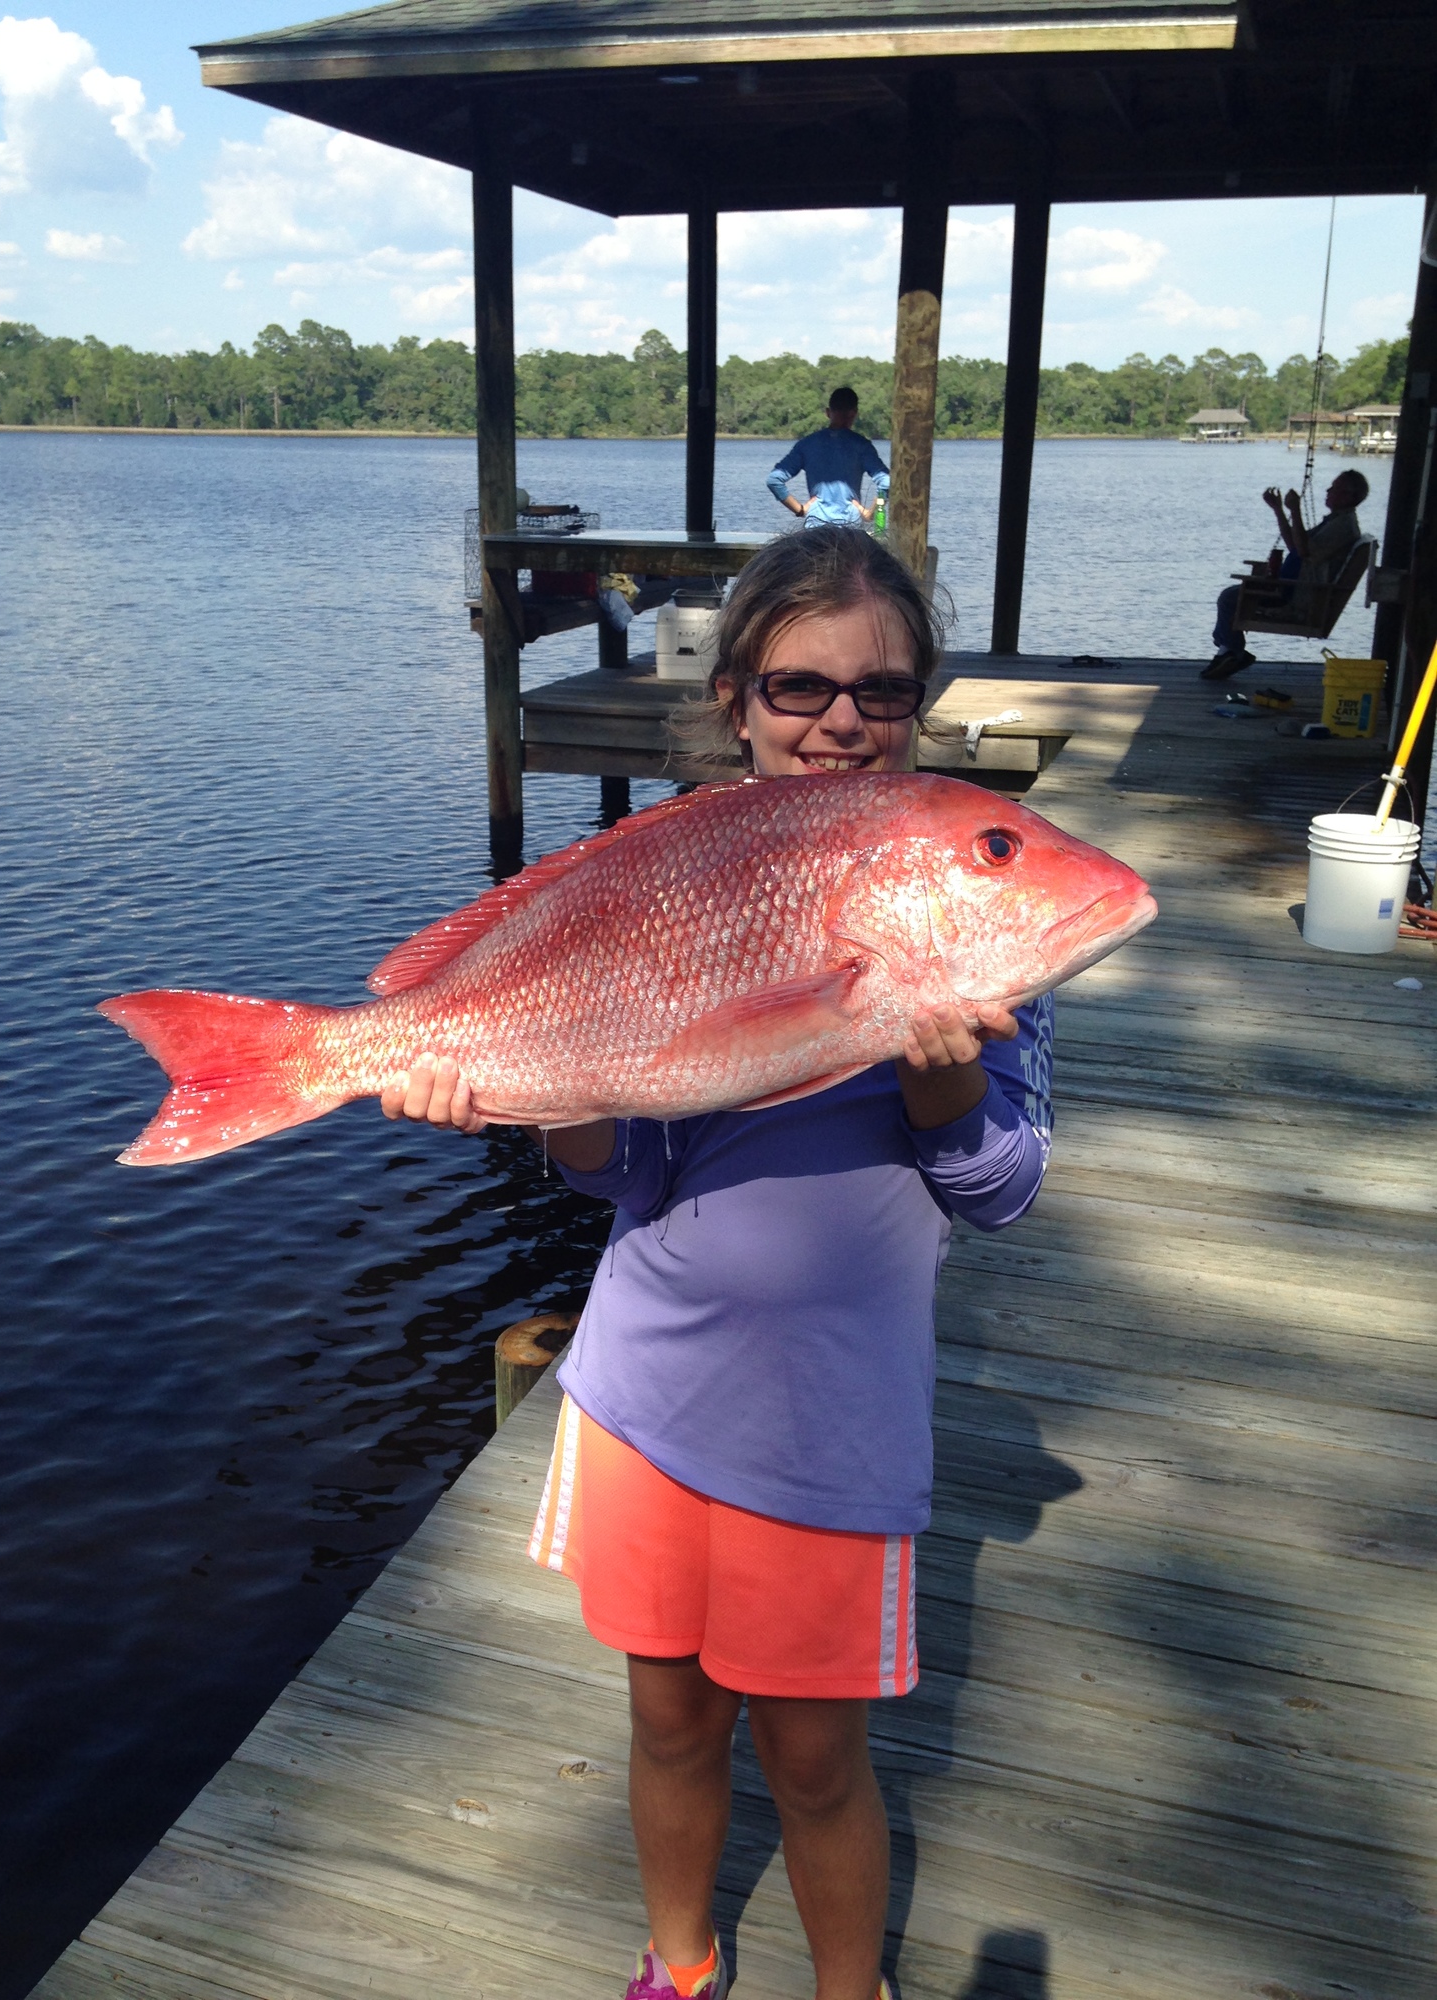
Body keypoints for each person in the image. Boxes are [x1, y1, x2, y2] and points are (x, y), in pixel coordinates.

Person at [382, 527, 1053, 2000]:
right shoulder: (673, 866)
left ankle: (844, 1989)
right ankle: (678, 1965)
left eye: (881, 693)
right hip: (644, 1401)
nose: (839, 721)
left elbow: (1001, 1190)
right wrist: (549, 1102)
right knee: (669, 1721)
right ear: (740, 699)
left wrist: (944, 1090)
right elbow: (633, 1170)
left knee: (817, 1760)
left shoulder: (957, 914)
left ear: (918, 709)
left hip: (831, 1429)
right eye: (802, 686)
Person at [1204, 468, 1369, 679]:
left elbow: (1304, 550)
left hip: (1294, 596)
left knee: (1229, 598)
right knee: (1232, 595)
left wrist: (1296, 511)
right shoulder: (1336, 521)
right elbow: (1294, 543)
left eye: (1334, 488)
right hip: (1288, 586)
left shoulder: (1344, 526)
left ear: (1349, 496)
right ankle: (1229, 652)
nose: (1328, 490)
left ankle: (1231, 652)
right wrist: (1279, 509)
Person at [768, 386, 890, 528]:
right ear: (855, 413)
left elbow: (774, 480)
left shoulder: (807, 444)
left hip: (816, 526)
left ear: (828, 412)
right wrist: (870, 513)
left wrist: (800, 509)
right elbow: (886, 482)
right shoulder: (862, 446)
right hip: (850, 527)